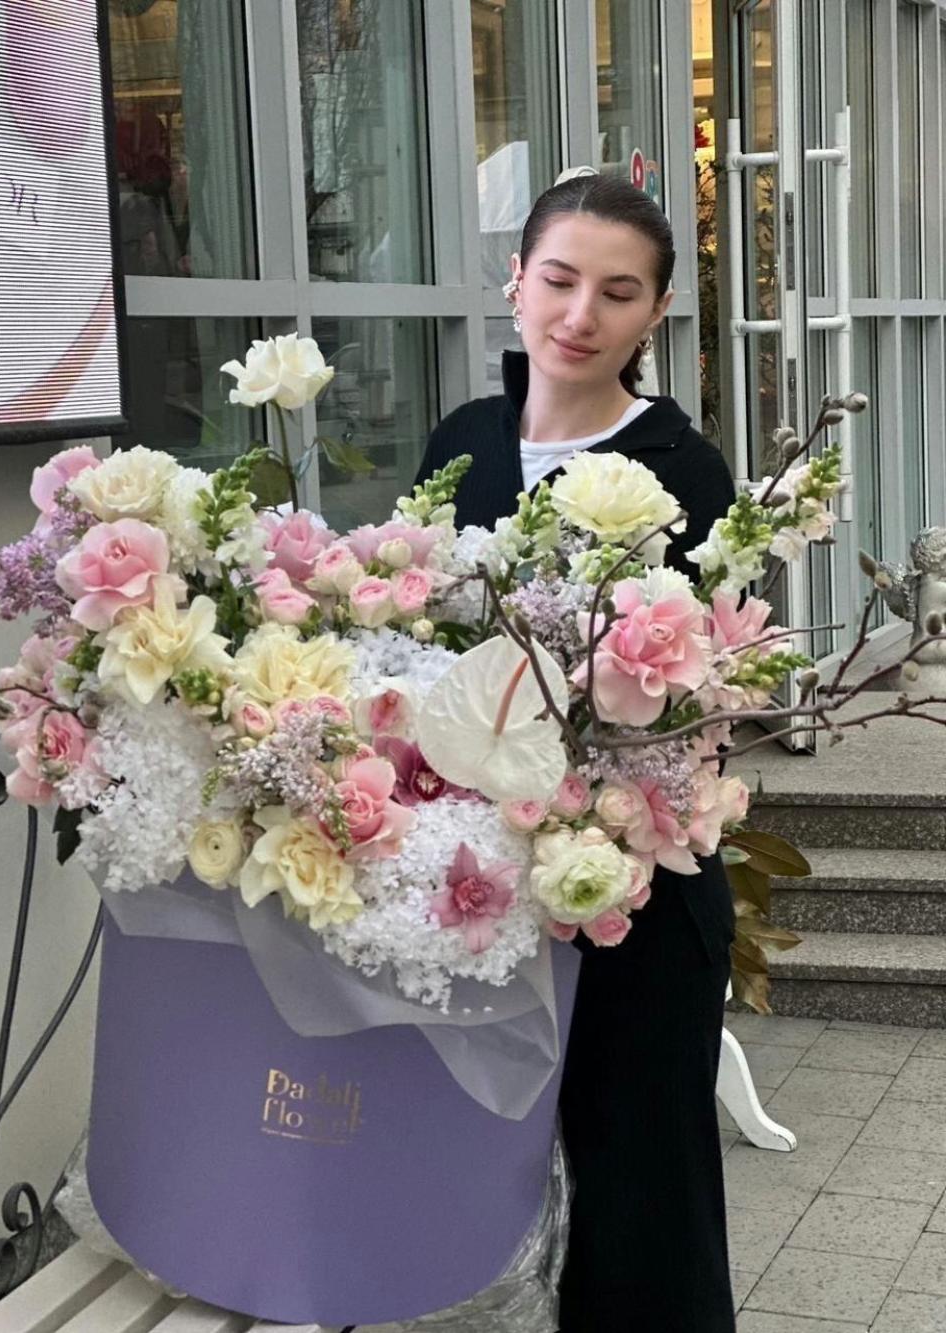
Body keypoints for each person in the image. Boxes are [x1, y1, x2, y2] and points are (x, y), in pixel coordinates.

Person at [415, 172, 737, 1333]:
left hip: (629, 886)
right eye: (557, 280)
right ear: (515, 282)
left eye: (617, 292)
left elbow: (696, 694)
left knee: (638, 1197)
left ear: (655, 312)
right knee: (462, 1185)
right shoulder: (463, 441)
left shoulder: (681, 470)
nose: (579, 315)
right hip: (469, 877)